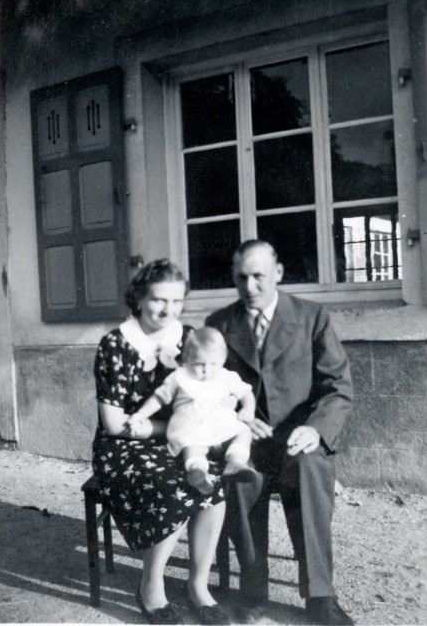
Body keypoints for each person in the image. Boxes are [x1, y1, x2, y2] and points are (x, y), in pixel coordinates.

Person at [206, 240, 354, 626]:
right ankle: (253, 591)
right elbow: (205, 391)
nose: (250, 286)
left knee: (308, 471)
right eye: (241, 277)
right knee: (239, 477)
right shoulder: (219, 325)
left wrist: (316, 429)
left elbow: (338, 386)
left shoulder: (312, 316)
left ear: (278, 273)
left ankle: (320, 597)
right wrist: (235, 418)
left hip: (298, 437)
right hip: (246, 437)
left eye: (258, 276)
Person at [92, 259, 230, 625]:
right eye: (158, 301)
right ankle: (150, 587)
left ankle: (198, 586)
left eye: (177, 302)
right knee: (174, 487)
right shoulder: (115, 345)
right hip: (122, 445)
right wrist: (164, 428)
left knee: (213, 486)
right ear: (139, 298)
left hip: (178, 436)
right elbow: (114, 423)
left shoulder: (187, 338)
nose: (168, 310)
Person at [126, 326, 259, 496]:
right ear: (188, 359)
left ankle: (235, 462)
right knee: (192, 445)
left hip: (221, 423)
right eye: (200, 364)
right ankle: (197, 472)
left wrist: (248, 408)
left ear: (223, 359)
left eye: (213, 364)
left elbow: (246, 393)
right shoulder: (179, 376)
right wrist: (140, 415)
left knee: (243, 432)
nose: (207, 370)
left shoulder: (226, 376)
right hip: (191, 425)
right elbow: (158, 398)